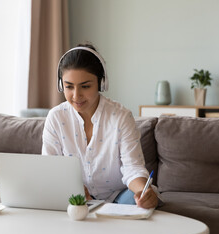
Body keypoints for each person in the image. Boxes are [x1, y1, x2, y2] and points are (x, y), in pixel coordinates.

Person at [42, 43, 158, 209]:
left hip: (118, 196)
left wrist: (143, 192)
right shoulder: (56, 117)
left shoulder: (121, 117)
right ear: (61, 85)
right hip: (75, 198)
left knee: (136, 202)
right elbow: (49, 169)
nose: (76, 95)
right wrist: (70, 189)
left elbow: (133, 168)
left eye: (85, 86)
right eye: (69, 86)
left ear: (101, 83)